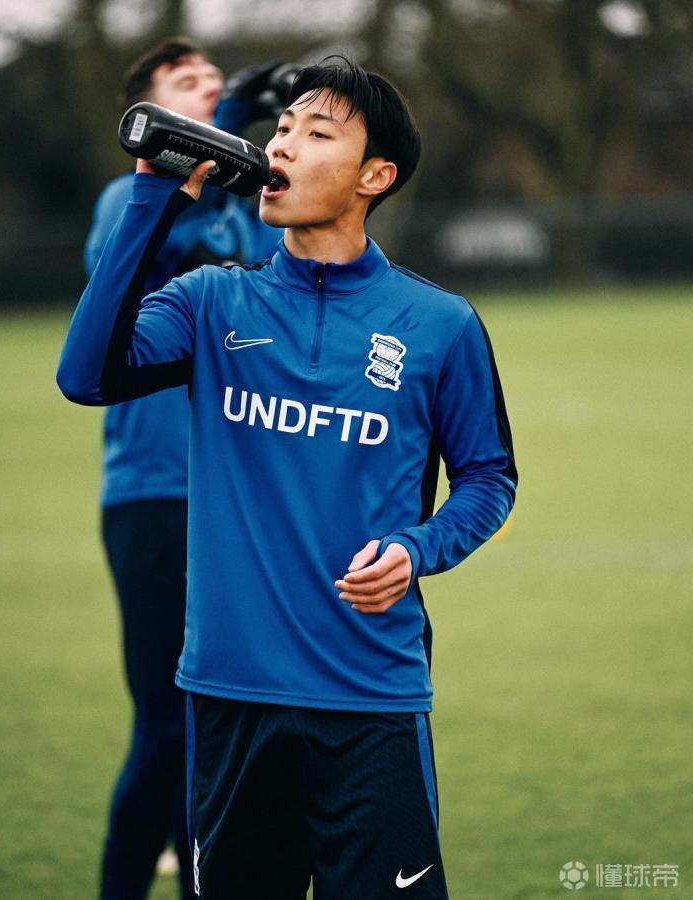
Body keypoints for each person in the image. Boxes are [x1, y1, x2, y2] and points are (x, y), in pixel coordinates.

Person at [59, 57, 518, 899]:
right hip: (228, 696)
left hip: (371, 698)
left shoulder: (440, 324)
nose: (281, 146)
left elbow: (489, 477)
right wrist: (153, 196)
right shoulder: (210, 302)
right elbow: (84, 374)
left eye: (316, 133)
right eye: (280, 129)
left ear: (375, 176)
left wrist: (418, 550)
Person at [83, 38, 281, 900]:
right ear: (150, 106)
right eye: (187, 82)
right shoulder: (125, 200)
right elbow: (122, 277)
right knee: (166, 728)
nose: (209, 86)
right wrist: (223, 121)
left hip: (239, 495)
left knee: (222, 725)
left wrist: (248, 141)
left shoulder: (247, 213)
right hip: (156, 494)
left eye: (216, 80)